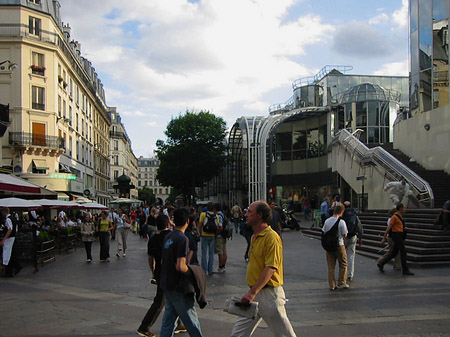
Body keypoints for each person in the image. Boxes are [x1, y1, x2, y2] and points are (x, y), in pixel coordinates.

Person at [230, 201, 297, 337]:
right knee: (238, 334)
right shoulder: (254, 236)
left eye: (250, 212)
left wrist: (252, 293)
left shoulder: (271, 237)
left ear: (259, 215)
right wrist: (252, 292)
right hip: (255, 293)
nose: (246, 214)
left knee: (284, 334)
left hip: (268, 294)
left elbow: (271, 267)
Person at [159, 208, 204, 337]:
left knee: (169, 321)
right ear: (188, 221)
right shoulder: (183, 239)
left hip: (166, 282)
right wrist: (194, 272)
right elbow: (180, 266)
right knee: (191, 320)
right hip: (178, 285)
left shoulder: (169, 236)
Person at [138, 214, 182, 337]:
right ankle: (144, 327)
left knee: (173, 297)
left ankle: (179, 323)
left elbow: (150, 258)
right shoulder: (169, 237)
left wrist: (153, 270)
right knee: (160, 300)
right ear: (168, 224)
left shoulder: (152, 238)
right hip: (168, 271)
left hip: (158, 271)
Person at [378, 203, 414, 276]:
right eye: (404, 208)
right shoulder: (394, 217)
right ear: (400, 208)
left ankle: (381, 263)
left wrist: (403, 229)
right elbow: (389, 227)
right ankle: (405, 269)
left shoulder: (400, 216)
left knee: (394, 253)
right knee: (403, 251)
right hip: (396, 235)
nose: (405, 209)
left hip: (399, 234)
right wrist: (384, 237)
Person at [322, 204, 349, 290]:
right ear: (341, 212)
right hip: (339, 245)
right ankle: (342, 282)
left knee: (331, 266)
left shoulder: (327, 221)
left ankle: (332, 285)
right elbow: (345, 234)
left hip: (329, 246)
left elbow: (324, 231)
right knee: (343, 264)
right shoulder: (341, 222)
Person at [342, 201, 363, 281]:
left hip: (344, 237)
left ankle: (343, 273)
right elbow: (360, 227)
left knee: (343, 256)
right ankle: (350, 274)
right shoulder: (354, 215)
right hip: (353, 236)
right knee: (351, 256)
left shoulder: (342, 215)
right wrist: (360, 238)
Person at [1, 207, 22, 277]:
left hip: (9, 238)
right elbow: (15, 229)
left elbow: (10, 229)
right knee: (11, 254)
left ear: (4, 212)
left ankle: (11, 270)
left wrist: (4, 239)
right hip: (12, 238)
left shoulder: (8, 219)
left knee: (7, 254)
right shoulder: (13, 219)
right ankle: (14, 268)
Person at [199, 202, 218, 275]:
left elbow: (200, 225)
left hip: (204, 234)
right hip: (212, 235)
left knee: (204, 252)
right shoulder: (216, 215)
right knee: (211, 253)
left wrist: (200, 233)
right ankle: (210, 270)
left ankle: (204, 269)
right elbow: (218, 227)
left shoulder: (203, 214)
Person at [214, 203, 227, 273]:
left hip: (220, 235)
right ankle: (223, 266)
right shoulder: (223, 214)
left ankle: (220, 266)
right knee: (224, 251)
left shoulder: (218, 215)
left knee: (220, 252)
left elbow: (220, 226)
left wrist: (217, 232)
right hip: (224, 235)